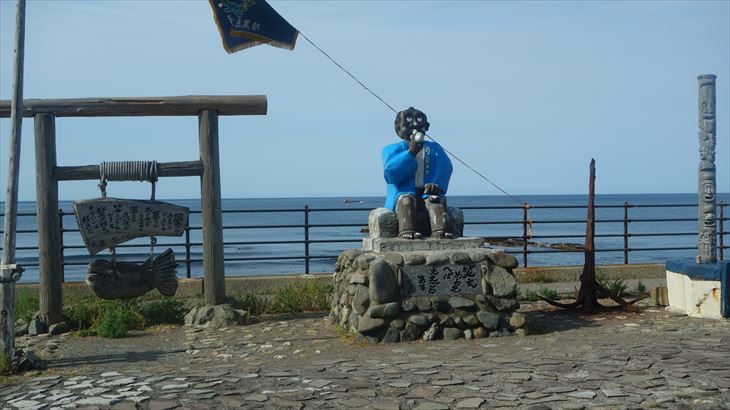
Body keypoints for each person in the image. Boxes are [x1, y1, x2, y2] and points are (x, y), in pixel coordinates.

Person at [382, 107, 453, 239]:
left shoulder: (435, 148)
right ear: (398, 127)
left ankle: (440, 230)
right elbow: (390, 173)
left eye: (419, 120)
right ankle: (406, 230)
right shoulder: (392, 149)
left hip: (427, 191)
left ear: (426, 126)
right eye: (409, 120)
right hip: (404, 192)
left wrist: (436, 184)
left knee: (435, 200)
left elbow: (445, 167)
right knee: (406, 200)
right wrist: (410, 153)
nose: (414, 124)